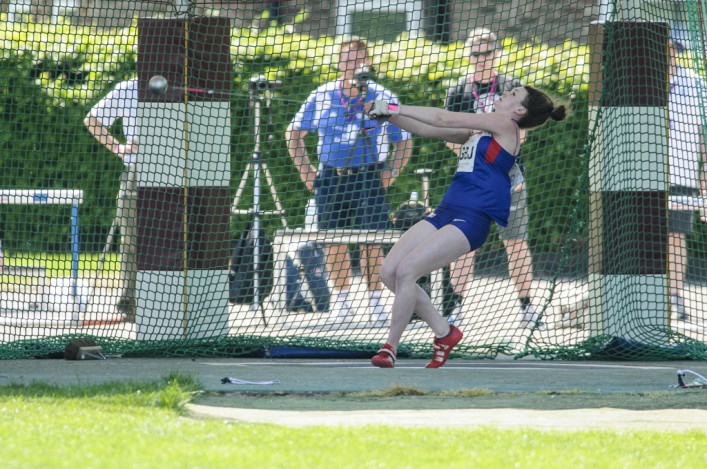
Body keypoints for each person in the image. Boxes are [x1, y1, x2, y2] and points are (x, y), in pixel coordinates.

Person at [365, 85, 567, 368]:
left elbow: (441, 118)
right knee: (389, 273)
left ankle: (390, 348)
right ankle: (445, 332)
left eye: (513, 94)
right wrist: (386, 116)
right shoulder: (479, 133)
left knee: (407, 271)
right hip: (447, 211)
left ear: (519, 110)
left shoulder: (505, 124)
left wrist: (394, 107)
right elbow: (428, 130)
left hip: (472, 219)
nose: (506, 92)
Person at [285, 37, 413, 327]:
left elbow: (404, 141)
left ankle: (376, 305)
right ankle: (342, 306)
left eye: (357, 59)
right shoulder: (322, 95)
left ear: (367, 63)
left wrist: (390, 173)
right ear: (338, 62)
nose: (351, 65)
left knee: (372, 241)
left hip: (369, 176)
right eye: (346, 59)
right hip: (331, 177)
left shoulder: (379, 96)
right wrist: (308, 174)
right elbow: (293, 134)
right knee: (333, 242)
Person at [444, 27, 542, 329]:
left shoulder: (512, 87)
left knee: (515, 242)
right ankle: (454, 309)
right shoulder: (458, 90)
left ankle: (527, 308)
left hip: (507, 177)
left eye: (486, 53)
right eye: (475, 53)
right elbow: (449, 135)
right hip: (472, 178)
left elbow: (521, 133)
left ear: (496, 53)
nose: (481, 59)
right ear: (468, 55)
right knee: (462, 245)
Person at [84, 78, 139, 322]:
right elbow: (92, 120)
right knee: (130, 239)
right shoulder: (129, 88)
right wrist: (118, 148)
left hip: (175, 175)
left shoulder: (183, 85)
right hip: (136, 173)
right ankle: (131, 302)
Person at [666, 35, 707, 321]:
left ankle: (675, 297)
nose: (667, 55)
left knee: (676, 235)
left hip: (682, 172)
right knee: (643, 236)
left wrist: (705, 169)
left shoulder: (696, 85)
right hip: (642, 175)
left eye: (670, 50)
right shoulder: (642, 82)